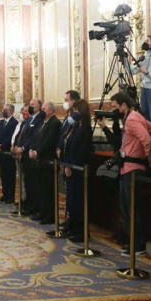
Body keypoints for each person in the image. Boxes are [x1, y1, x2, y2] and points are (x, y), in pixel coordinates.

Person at [99, 92, 151, 257]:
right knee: (129, 209)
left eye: (114, 107)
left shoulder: (132, 119)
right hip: (129, 167)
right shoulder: (134, 117)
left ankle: (138, 244)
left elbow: (148, 139)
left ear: (123, 105)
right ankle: (133, 242)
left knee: (132, 210)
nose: (112, 110)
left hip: (132, 169)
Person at [59, 99, 93, 241]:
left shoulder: (85, 128)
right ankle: (72, 225)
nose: (74, 114)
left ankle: (81, 231)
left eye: (77, 111)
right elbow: (68, 147)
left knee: (79, 201)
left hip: (78, 170)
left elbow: (83, 151)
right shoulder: (73, 127)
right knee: (71, 200)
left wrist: (72, 166)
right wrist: (66, 164)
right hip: (71, 167)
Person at [28, 102, 62, 224]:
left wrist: (37, 152)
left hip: (47, 162)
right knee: (40, 189)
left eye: (44, 109)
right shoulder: (42, 122)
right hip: (39, 162)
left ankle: (49, 215)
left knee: (48, 190)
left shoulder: (55, 123)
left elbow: (49, 141)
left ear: (51, 111)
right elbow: (35, 138)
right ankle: (42, 212)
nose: (42, 111)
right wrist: (32, 149)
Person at [13, 99, 45, 214]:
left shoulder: (39, 119)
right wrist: (18, 146)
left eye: (32, 105)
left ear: (39, 107)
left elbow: (33, 137)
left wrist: (23, 148)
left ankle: (32, 206)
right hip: (23, 156)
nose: (30, 107)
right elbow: (22, 135)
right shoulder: (29, 119)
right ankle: (27, 204)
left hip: (29, 155)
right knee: (27, 183)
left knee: (32, 184)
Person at [0, 104, 18, 203]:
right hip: (0, 152)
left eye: (6, 110)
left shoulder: (14, 123)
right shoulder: (1, 122)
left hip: (8, 152)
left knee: (10, 175)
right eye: (3, 109)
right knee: (3, 175)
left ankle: (11, 196)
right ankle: (4, 194)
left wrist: (2, 145)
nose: (4, 111)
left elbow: (12, 137)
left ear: (11, 111)